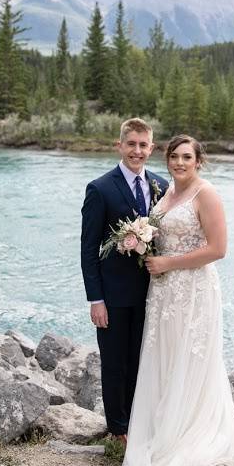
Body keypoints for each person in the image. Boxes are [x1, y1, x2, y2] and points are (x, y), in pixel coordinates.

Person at [115, 135, 234, 466]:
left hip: (193, 290)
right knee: (164, 356)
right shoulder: (164, 194)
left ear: (198, 161)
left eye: (186, 157)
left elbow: (218, 249)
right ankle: (162, 433)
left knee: (190, 358)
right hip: (163, 292)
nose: (179, 162)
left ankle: (186, 434)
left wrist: (168, 263)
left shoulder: (206, 194)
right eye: (174, 156)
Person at [81, 118, 169, 444]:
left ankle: (139, 422)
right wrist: (96, 300)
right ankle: (118, 430)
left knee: (141, 362)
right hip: (113, 297)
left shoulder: (161, 186)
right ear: (120, 145)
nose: (137, 150)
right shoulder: (100, 188)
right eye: (131, 144)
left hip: (151, 294)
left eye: (143, 145)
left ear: (152, 148)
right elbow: (88, 249)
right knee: (114, 364)